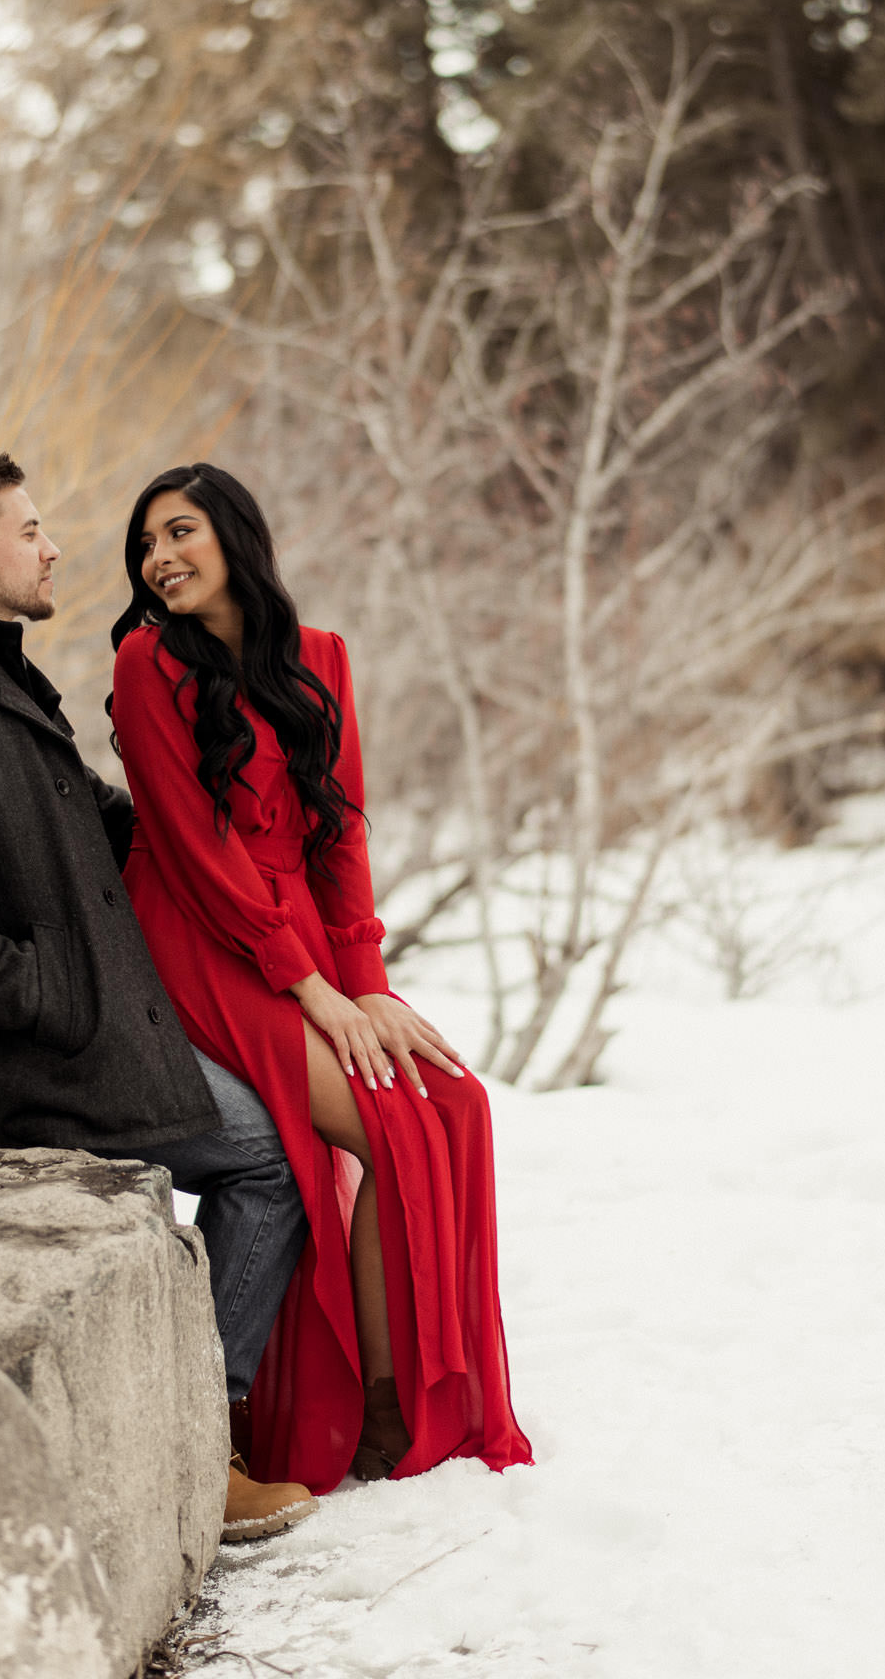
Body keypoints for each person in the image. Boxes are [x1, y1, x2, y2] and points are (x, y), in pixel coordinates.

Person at [0, 450, 318, 1542]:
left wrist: (224, 832)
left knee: (273, 1137)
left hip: (84, 1017)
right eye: (32, 528)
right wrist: (47, 997)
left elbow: (98, 820)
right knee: (267, 1160)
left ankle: (213, 1423)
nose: (54, 547)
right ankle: (205, 1443)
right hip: (24, 1044)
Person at [107, 462, 533, 1495]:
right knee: (383, 1122)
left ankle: (400, 1395)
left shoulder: (323, 660)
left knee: (450, 1100)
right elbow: (200, 858)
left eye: (179, 533)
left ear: (235, 537)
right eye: (145, 547)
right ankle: (378, 1411)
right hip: (205, 937)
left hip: (302, 942)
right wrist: (312, 991)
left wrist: (369, 982)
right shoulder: (143, 661)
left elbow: (339, 836)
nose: (159, 559)